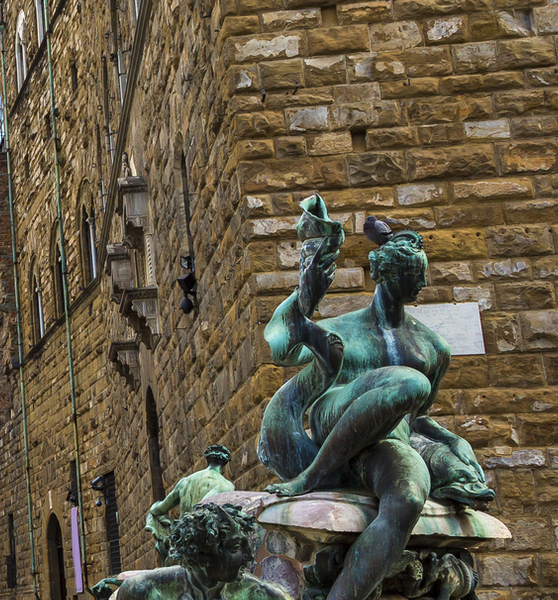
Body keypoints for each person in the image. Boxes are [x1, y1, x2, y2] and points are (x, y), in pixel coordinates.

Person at [259, 195, 491, 600]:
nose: (421, 283)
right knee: (409, 382)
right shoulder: (345, 330)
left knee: (408, 497)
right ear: (388, 273)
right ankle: (312, 476)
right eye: (414, 273)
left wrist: (454, 441)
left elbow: (417, 418)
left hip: (385, 441)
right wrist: (305, 295)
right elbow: (281, 348)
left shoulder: (433, 348)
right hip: (333, 416)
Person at [110, 503, 289, 600]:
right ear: (204, 551)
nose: (249, 557)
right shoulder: (142, 592)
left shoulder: (265, 596)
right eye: (235, 547)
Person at [145, 445, 236, 562]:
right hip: (204, 553)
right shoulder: (226, 486)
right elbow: (202, 511)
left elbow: (159, 510)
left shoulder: (184, 482)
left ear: (207, 460)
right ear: (224, 464)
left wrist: (154, 508)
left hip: (179, 547)